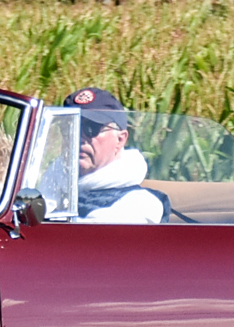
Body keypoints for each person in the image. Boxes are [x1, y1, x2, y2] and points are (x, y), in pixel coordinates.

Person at [64, 87, 164, 224]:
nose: (78, 137)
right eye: (70, 127)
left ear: (120, 139)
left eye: (91, 128)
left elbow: (84, 237)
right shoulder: (49, 186)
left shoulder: (141, 203)